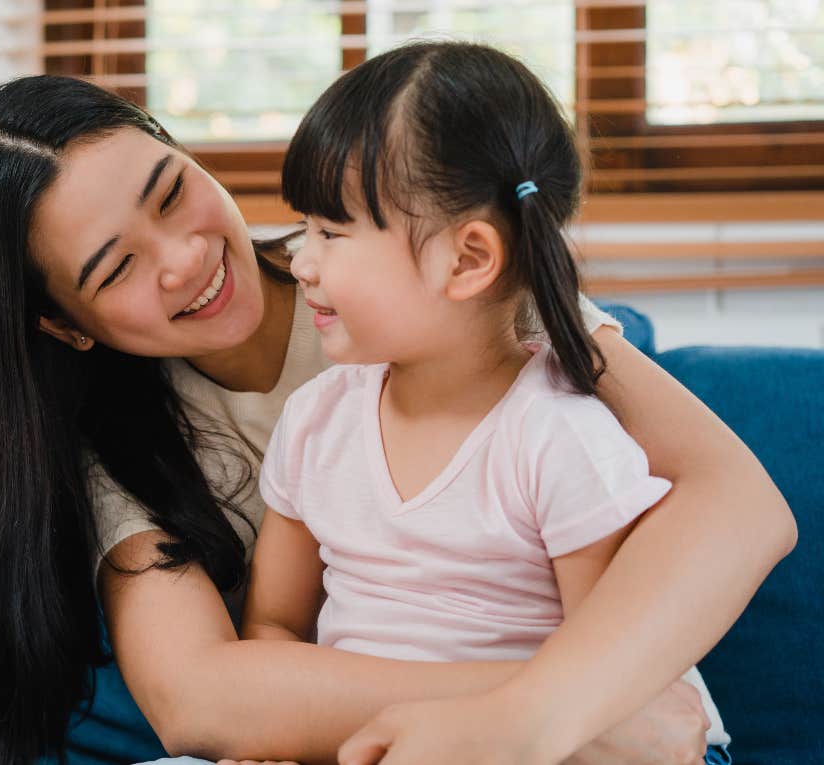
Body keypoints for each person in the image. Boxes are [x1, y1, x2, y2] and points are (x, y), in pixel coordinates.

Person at [0, 71, 796, 765]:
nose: (185, 258)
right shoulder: (125, 450)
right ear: (65, 323)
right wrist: (563, 707)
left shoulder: (436, 286)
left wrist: (548, 715)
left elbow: (740, 504)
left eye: (171, 190)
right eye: (116, 269)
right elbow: (201, 699)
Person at [235, 42, 734, 765]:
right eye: (305, 229)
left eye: (332, 233)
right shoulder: (315, 421)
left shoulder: (558, 437)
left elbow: (609, 685)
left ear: (466, 260)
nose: (301, 261)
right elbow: (274, 626)